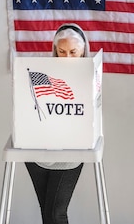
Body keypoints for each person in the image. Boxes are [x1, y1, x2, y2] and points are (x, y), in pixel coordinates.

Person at [25, 23, 90, 224]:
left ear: (83, 52)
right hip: (37, 151)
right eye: (62, 52)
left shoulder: (90, 76)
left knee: (56, 213)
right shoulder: (40, 73)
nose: (67, 57)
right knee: (47, 211)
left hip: (70, 153)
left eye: (73, 52)